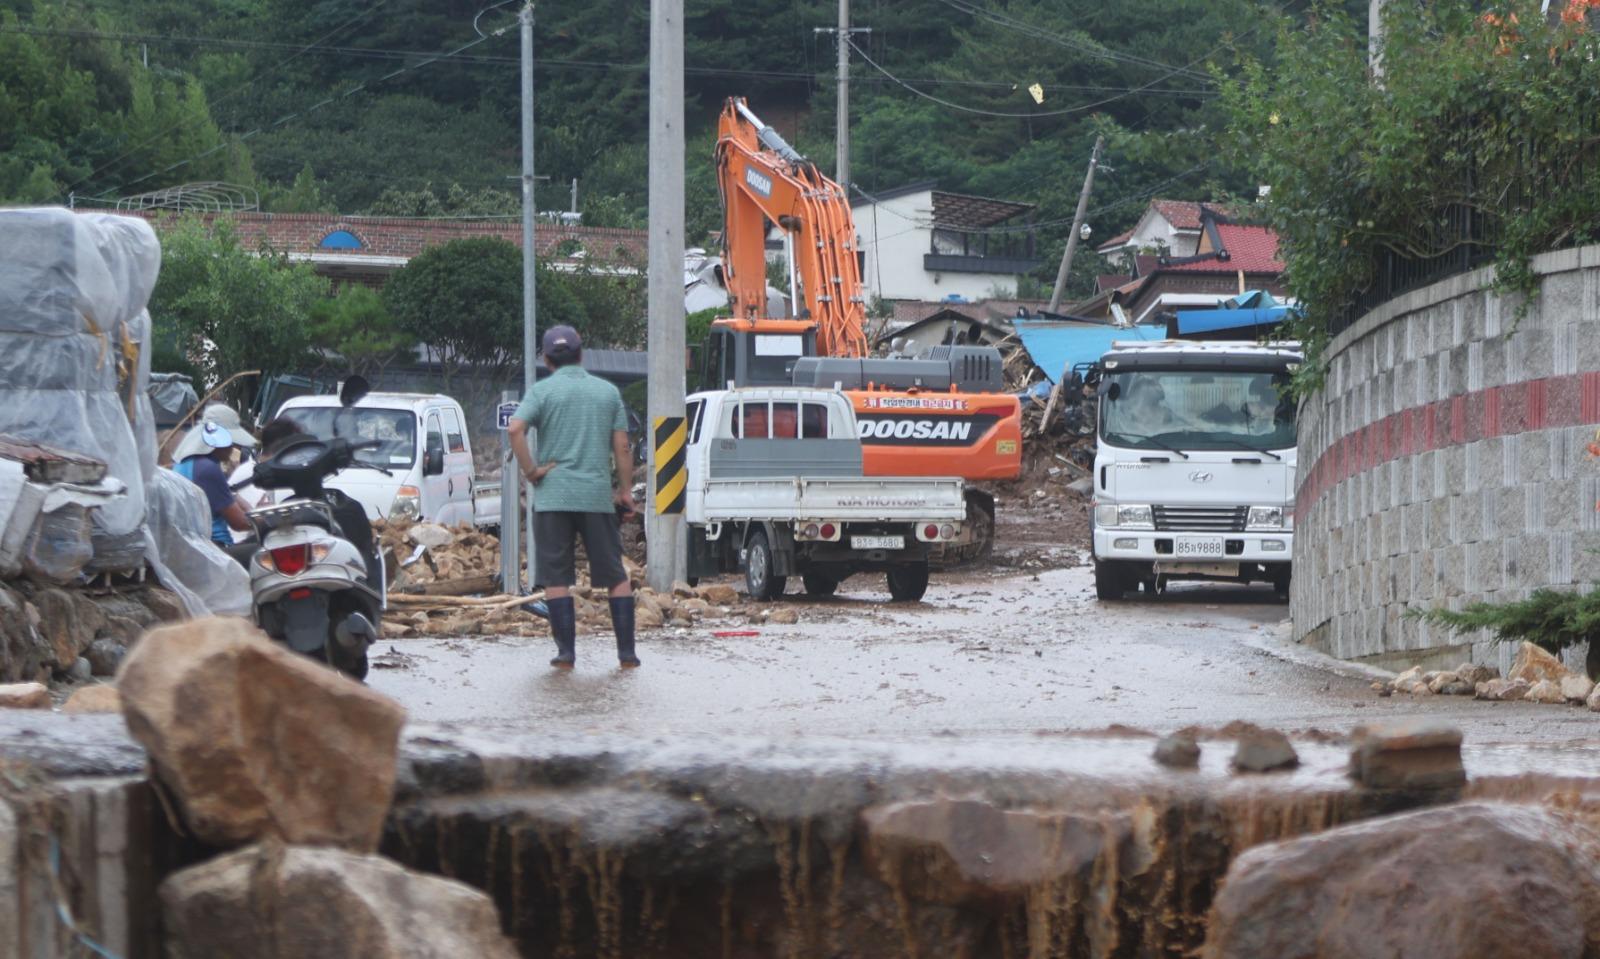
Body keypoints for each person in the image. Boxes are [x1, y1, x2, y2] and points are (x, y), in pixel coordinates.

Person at [508, 325, 638, 670]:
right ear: (582, 354)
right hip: (595, 496)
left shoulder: (542, 391)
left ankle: (566, 654)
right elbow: (622, 446)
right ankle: (627, 655)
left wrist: (531, 471)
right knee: (615, 575)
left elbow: (515, 429)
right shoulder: (607, 392)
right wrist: (625, 491)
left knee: (556, 577)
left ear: (548, 359)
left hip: (553, 497)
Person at [174, 419, 253, 550]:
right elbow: (239, 523)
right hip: (215, 546)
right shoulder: (208, 468)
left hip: (194, 544)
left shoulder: (185, 462)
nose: (231, 447)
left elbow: (230, 499)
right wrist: (269, 521)